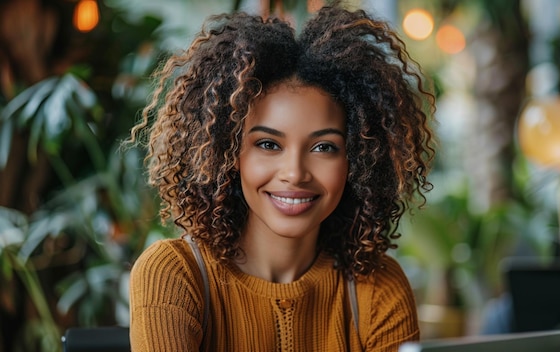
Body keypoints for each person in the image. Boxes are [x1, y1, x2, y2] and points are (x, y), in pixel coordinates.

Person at [128, 2, 436, 351]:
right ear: (229, 153)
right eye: (268, 144)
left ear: (359, 161)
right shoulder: (174, 275)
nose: (294, 173)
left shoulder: (378, 288)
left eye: (324, 147)